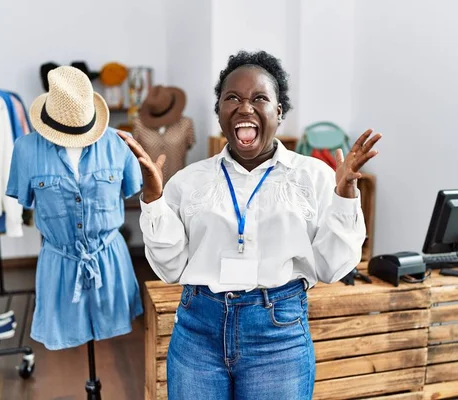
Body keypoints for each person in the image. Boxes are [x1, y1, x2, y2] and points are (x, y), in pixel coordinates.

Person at [117, 50, 381, 399]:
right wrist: (152, 199)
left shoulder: (315, 177)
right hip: (198, 332)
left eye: (260, 98)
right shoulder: (188, 181)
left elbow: (331, 268)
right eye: (233, 98)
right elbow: (170, 268)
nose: (245, 107)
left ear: (279, 111)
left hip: (279, 336)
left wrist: (346, 193)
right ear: (219, 112)